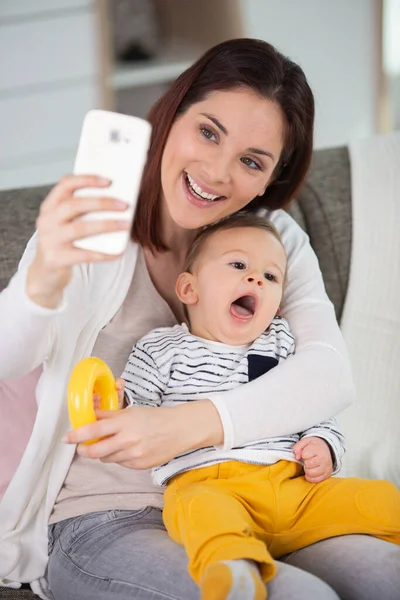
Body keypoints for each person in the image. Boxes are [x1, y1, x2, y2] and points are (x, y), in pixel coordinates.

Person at [0, 38, 399, 600]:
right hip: (109, 516)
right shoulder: (95, 227)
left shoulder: (275, 242)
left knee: (387, 574)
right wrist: (41, 277)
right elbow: (7, 358)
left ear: (269, 181)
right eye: (208, 132)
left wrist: (185, 427)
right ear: (172, 115)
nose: (216, 172)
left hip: (262, 500)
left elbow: (329, 375)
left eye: (252, 161)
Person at [120, 214, 400, 600]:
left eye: (271, 277)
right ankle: (233, 569)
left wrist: (323, 444)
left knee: (381, 497)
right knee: (197, 512)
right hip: (210, 485)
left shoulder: (281, 343)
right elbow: (137, 413)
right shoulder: (160, 349)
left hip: (296, 489)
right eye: (238, 265)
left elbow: (316, 406)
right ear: (189, 288)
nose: (256, 279)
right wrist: (117, 404)